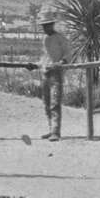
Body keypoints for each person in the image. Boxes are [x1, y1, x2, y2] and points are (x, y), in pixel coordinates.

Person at [31, 7, 71, 141]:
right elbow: (44, 57)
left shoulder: (60, 38)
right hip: (45, 73)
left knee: (55, 103)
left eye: (47, 25)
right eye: (43, 26)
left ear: (52, 24)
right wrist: (36, 65)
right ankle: (50, 129)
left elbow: (67, 54)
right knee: (46, 102)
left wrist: (61, 62)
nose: (45, 28)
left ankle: (55, 131)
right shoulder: (45, 40)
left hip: (56, 74)